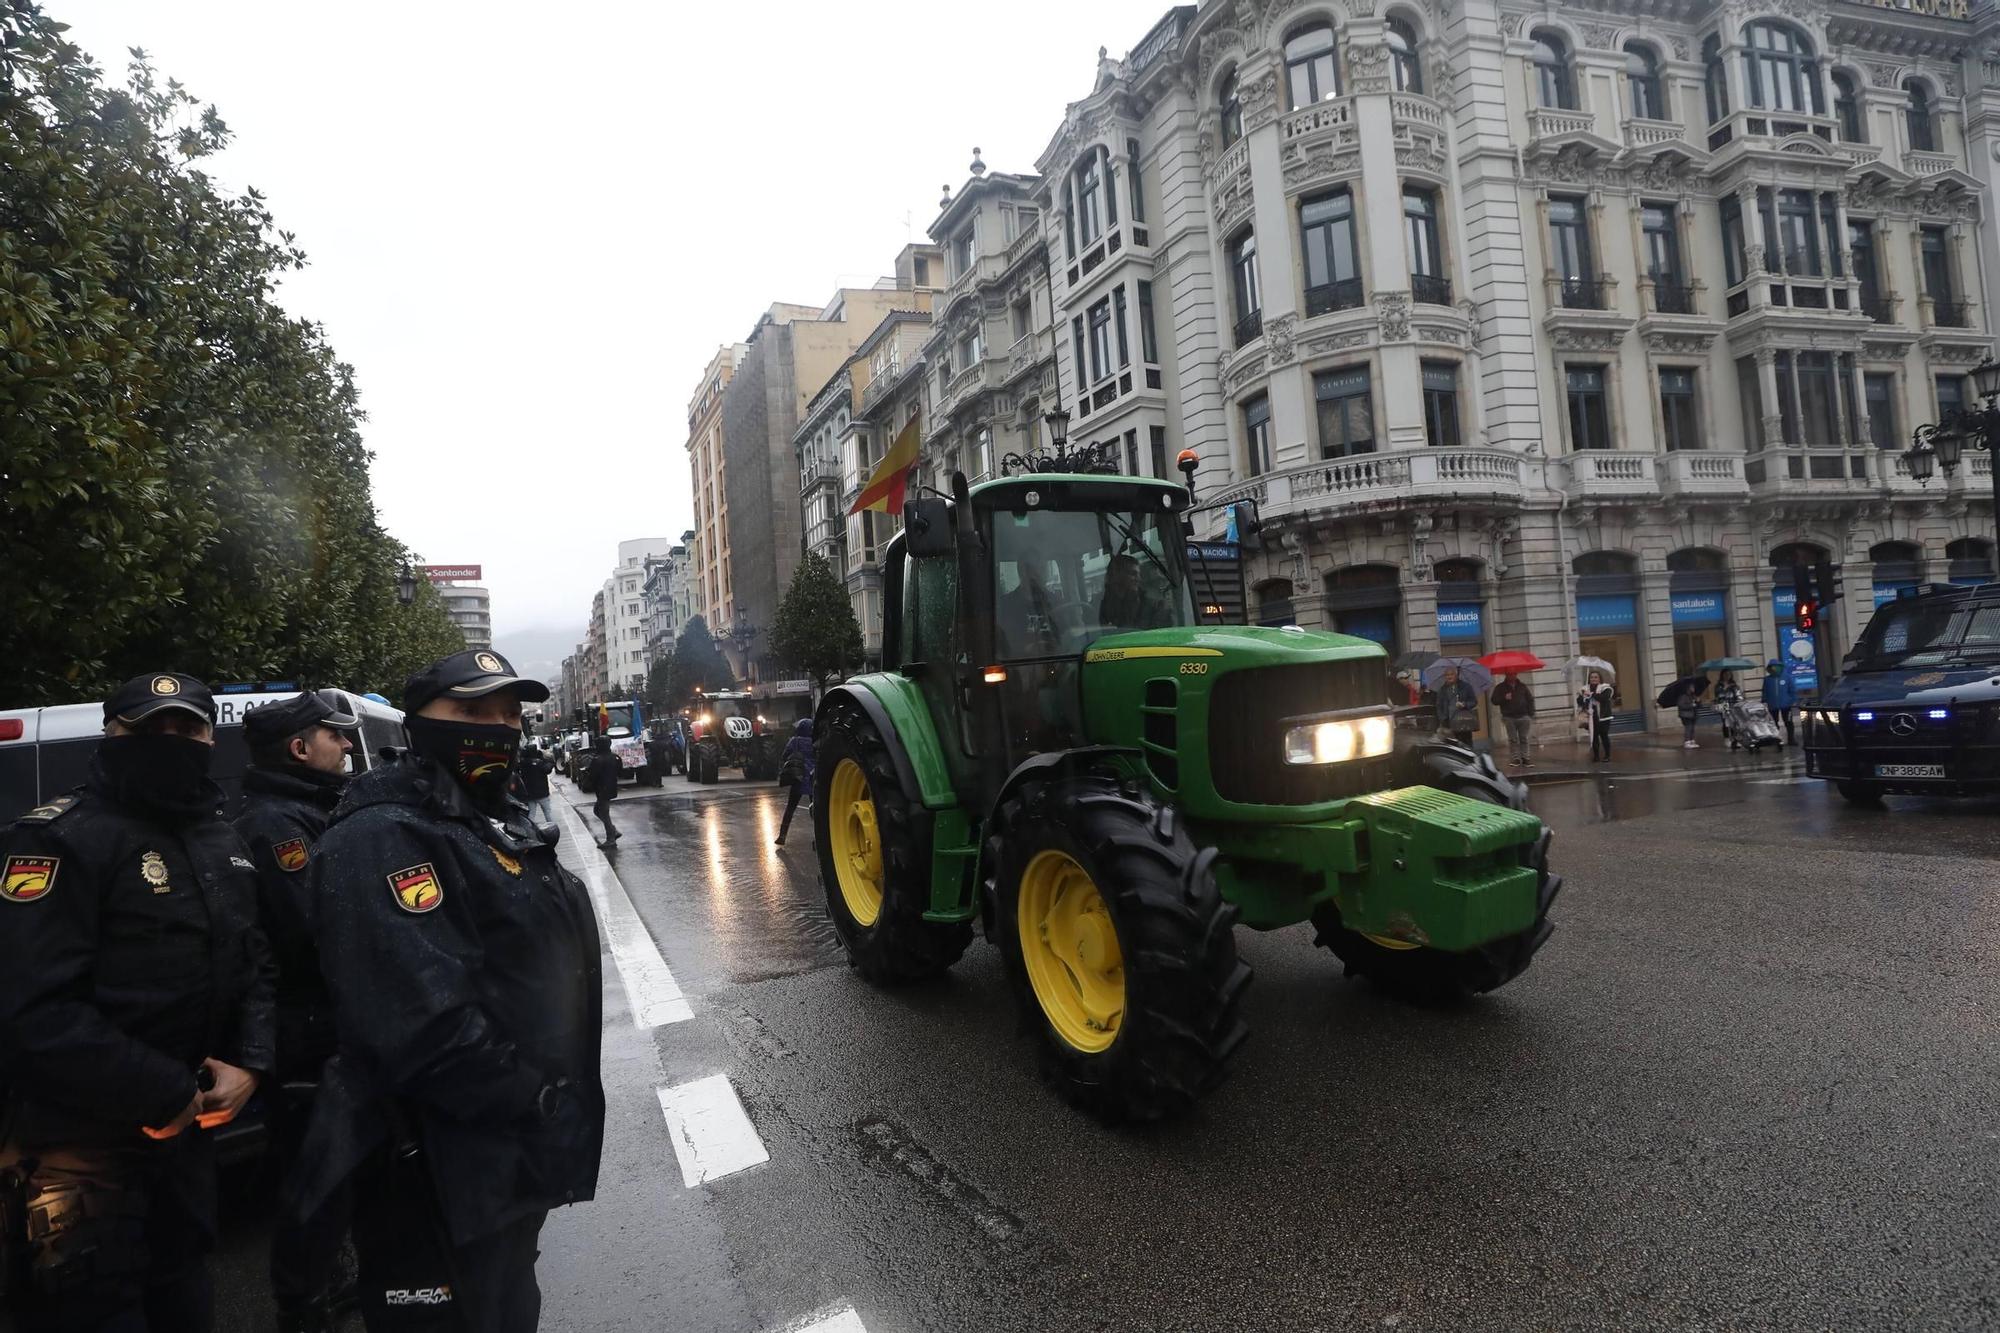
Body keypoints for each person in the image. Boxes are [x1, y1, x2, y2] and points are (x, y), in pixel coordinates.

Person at [292, 649, 603, 1333]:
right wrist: (539, 1100)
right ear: (417, 724)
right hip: (435, 1174)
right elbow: (423, 1023)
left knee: (507, 1304)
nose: (497, 727)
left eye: (508, 713)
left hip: (499, 1170)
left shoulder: (485, 816)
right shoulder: (382, 836)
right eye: (471, 711)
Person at [0, 672, 274, 1333]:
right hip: (79, 1153)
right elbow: (29, 1008)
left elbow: (255, 962)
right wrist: (161, 1088)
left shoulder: (220, 839)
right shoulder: (55, 840)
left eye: (187, 728)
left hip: (185, 1145)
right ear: (113, 734)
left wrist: (251, 1063)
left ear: (211, 737)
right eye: (149, 727)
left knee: (185, 1299)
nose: (171, 740)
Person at [235, 690, 362, 1329]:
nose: (345, 747)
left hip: (321, 1020)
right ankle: (305, 1299)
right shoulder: (277, 825)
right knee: (317, 1170)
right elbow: (315, 923)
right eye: (333, 737)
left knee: (336, 1166)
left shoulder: (306, 808)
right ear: (298, 748)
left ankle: (328, 1278)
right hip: (306, 1027)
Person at [773, 718, 815, 847]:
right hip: (813, 779)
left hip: (798, 778)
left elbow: (784, 756)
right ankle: (819, 839)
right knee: (816, 810)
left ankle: (782, 836)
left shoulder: (794, 741)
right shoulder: (815, 742)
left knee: (790, 808)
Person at [1490, 673, 1536, 768]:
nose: (1512, 676)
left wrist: (1530, 714)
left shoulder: (1522, 686)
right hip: (1509, 717)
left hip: (1523, 716)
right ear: (1506, 675)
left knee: (1524, 738)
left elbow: (1530, 699)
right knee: (1513, 739)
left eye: (1514, 674)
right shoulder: (1500, 687)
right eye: (1510, 674)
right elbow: (1494, 700)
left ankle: (1525, 758)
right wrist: (1504, 698)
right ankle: (1515, 759)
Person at [585, 737, 622, 846]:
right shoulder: (615, 757)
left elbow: (592, 776)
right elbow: (620, 770)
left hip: (602, 789)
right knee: (597, 810)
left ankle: (611, 838)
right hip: (611, 787)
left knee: (604, 813)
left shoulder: (597, 759)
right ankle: (613, 830)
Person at [1433, 665, 1479, 747]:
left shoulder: (1466, 687)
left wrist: (1464, 704)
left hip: (1463, 724)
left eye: (1451, 674)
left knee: (1466, 747)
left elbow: (1474, 701)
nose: (1449, 676)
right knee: (1452, 748)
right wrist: (1442, 718)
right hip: (1448, 725)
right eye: (1447, 675)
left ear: (1456, 675)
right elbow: (1438, 706)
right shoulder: (1442, 690)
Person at [1577, 670, 1617, 762]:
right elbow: (1579, 702)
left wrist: (1591, 694)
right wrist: (1584, 698)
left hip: (1603, 716)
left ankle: (1607, 755)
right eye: (1591, 677)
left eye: (1596, 677)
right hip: (1591, 716)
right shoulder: (1584, 689)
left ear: (1599, 679)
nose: (1593, 679)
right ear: (1589, 679)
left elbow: (1604, 698)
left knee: (1604, 735)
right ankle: (1596, 756)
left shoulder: (1606, 688)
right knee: (1594, 736)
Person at [515, 742, 555, 825]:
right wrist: (551, 762)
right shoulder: (539, 763)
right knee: (547, 813)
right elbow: (547, 769)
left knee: (531, 814)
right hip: (542, 794)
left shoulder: (523, 764)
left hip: (530, 794)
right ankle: (552, 828)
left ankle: (529, 830)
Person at [1761, 659, 1797, 744]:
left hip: (1786, 705)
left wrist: (1792, 701)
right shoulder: (1767, 679)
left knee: (1788, 722)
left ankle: (1791, 739)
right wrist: (1764, 701)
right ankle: (1776, 739)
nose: (1774, 669)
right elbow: (1765, 691)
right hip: (1772, 705)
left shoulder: (1787, 678)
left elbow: (1792, 690)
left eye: (1775, 667)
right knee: (1774, 723)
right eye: (1771, 667)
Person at [1677, 675, 1710, 749]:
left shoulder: (1694, 696)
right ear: (1688, 688)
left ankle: (1691, 740)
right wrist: (1692, 705)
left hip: (1693, 714)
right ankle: (1687, 741)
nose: (1693, 688)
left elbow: (1699, 706)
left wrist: (1698, 701)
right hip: (1686, 715)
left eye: (1693, 687)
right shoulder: (1683, 696)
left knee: (1692, 728)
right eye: (1692, 687)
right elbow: (1681, 706)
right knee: (1688, 727)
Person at [1714, 671, 1744, 749]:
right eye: (1725, 674)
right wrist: (1724, 689)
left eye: (1728, 674)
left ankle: (1735, 740)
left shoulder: (1734, 685)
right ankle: (1727, 739)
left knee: (1734, 723)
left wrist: (1739, 702)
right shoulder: (1718, 686)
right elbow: (1718, 696)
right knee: (1726, 723)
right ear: (1722, 675)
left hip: (1733, 705)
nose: (1727, 676)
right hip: (1723, 705)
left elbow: (1739, 695)